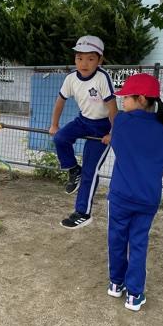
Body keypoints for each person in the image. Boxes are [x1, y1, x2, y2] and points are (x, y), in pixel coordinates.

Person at [106, 73, 163, 311]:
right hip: (148, 197)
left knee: (116, 238)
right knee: (138, 243)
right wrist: (152, 163)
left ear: (140, 99)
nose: (123, 102)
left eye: (126, 97)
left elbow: (117, 143)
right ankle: (134, 295)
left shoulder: (122, 121)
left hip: (120, 195)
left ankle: (115, 283)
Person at [48, 35, 118, 229]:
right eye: (79, 58)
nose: (84, 63)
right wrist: (54, 124)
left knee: (90, 170)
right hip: (83, 121)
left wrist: (113, 133)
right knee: (60, 138)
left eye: (90, 59)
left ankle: (83, 213)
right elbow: (60, 101)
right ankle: (73, 169)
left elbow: (113, 108)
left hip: (102, 126)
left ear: (100, 60)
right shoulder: (71, 78)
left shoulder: (102, 77)